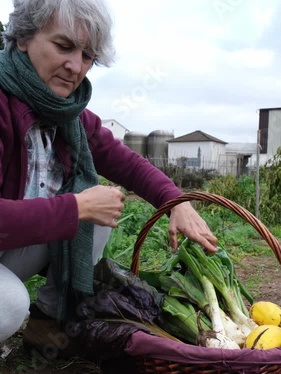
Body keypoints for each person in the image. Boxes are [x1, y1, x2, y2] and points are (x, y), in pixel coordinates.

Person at [0, 0, 217, 345]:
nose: (75, 66)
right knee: (8, 305)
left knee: (98, 215)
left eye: (87, 56)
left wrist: (177, 201)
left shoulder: (66, 114)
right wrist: (74, 208)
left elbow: (124, 161)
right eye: (64, 46)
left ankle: (44, 323)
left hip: (8, 245)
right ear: (24, 38)